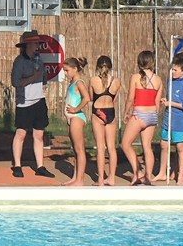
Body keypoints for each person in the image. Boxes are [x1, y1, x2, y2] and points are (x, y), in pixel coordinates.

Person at [10, 30, 54, 179]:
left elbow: (43, 77)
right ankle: (17, 165)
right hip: (25, 103)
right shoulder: (19, 61)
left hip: (39, 100)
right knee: (21, 133)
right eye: (35, 43)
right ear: (28, 45)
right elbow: (15, 82)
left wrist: (42, 83)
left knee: (39, 134)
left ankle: (40, 166)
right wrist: (33, 77)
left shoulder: (39, 59)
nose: (37, 46)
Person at [119, 50, 162, 185]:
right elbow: (157, 102)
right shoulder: (158, 79)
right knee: (147, 147)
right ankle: (148, 176)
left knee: (125, 144)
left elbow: (131, 98)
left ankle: (137, 172)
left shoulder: (136, 77)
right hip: (152, 115)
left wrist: (126, 112)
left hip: (139, 114)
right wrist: (154, 117)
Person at [159, 54, 183, 184]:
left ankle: (180, 176)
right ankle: (162, 173)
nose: (172, 72)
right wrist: (165, 101)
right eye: (172, 69)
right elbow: (170, 99)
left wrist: (171, 104)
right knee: (164, 144)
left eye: (175, 70)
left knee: (180, 147)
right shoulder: (170, 82)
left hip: (179, 121)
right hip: (168, 118)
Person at [87, 55, 122, 186]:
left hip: (98, 112)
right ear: (111, 67)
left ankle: (101, 179)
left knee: (100, 148)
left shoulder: (93, 80)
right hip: (110, 112)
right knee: (112, 148)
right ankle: (111, 178)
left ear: (97, 67)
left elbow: (91, 98)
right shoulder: (117, 81)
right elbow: (114, 99)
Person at [60, 57, 91, 186]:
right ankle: (75, 177)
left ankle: (80, 180)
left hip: (77, 118)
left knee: (79, 149)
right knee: (75, 150)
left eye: (67, 70)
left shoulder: (79, 82)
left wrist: (76, 109)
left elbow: (87, 98)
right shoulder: (72, 82)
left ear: (75, 69)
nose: (65, 73)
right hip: (72, 118)